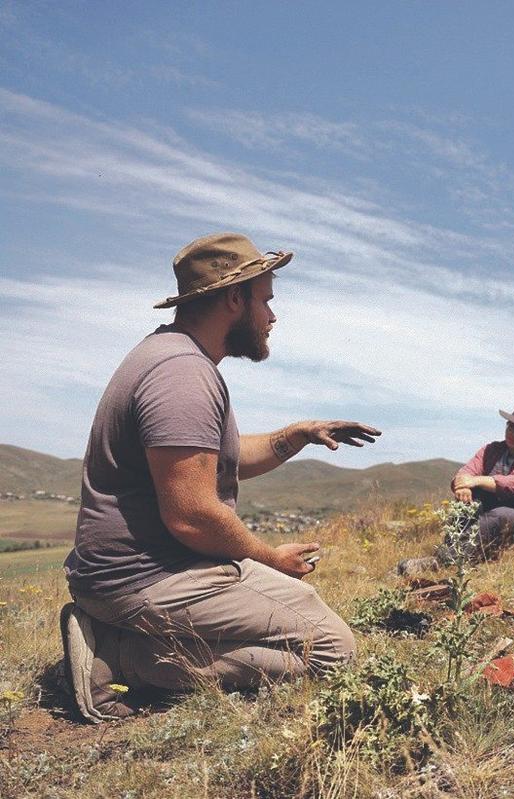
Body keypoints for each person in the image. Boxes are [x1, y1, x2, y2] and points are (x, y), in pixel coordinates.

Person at [60, 233, 382, 723]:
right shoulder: (182, 376)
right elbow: (192, 516)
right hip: (146, 577)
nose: (272, 317)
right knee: (331, 652)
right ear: (236, 298)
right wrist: (270, 558)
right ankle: (119, 657)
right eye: (266, 301)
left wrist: (296, 435)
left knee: (305, 613)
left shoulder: (172, 356)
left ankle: (130, 640)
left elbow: (220, 461)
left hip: (149, 568)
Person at [415, 403, 514, 567]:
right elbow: (467, 471)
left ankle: (446, 561)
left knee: (501, 515)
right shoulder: (492, 450)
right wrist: (463, 485)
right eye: (511, 427)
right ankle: (452, 549)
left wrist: (476, 480)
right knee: (469, 501)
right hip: (493, 511)